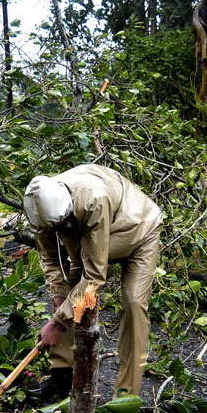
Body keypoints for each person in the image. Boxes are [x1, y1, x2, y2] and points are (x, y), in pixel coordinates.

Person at [23, 164, 164, 399]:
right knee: (67, 296)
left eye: (60, 227)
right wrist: (58, 295)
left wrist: (57, 324)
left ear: (66, 213)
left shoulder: (92, 201)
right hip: (92, 233)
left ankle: (126, 395)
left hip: (139, 230)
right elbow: (49, 257)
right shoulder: (39, 210)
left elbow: (94, 280)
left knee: (134, 305)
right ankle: (62, 376)